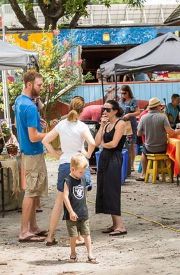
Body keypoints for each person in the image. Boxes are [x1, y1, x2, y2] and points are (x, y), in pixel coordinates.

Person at [42, 97, 96, 246]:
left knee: (59, 201)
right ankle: (79, 236)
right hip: (79, 162)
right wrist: (88, 155)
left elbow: (45, 140)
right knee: (80, 201)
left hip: (65, 163)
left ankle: (50, 236)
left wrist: (56, 154)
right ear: (82, 110)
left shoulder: (61, 125)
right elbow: (92, 143)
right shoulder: (82, 126)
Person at [15, 71, 48, 243]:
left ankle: (33, 227)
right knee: (31, 192)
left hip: (27, 152)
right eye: (39, 85)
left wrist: (37, 124)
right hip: (33, 153)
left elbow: (24, 126)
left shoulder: (19, 101)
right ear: (29, 85)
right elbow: (34, 136)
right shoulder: (30, 106)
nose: (41, 88)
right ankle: (24, 231)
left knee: (34, 191)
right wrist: (50, 134)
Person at [94, 99, 128, 236]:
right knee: (105, 188)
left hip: (114, 158)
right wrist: (101, 126)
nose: (105, 112)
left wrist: (102, 144)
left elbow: (114, 144)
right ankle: (115, 224)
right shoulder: (107, 124)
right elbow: (96, 142)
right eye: (104, 109)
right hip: (104, 157)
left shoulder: (120, 123)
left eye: (108, 110)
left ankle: (120, 225)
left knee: (112, 189)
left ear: (115, 110)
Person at [63, 154, 98, 264]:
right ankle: (73, 253)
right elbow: (65, 197)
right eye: (80, 172)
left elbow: (84, 195)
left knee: (87, 234)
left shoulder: (82, 179)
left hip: (83, 213)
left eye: (83, 172)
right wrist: (70, 211)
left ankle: (90, 254)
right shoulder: (68, 181)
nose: (82, 174)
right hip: (72, 214)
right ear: (72, 169)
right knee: (73, 236)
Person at [137, 98, 180, 181]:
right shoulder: (163, 117)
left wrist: (148, 132)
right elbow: (170, 132)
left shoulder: (143, 117)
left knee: (144, 151)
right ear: (158, 107)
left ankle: (144, 173)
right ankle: (172, 174)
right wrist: (177, 132)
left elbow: (139, 133)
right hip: (162, 148)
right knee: (172, 150)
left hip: (149, 148)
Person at [119, 85, 140, 175]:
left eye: (125, 93)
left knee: (131, 144)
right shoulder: (120, 101)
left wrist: (129, 115)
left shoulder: (133, 100)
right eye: (122, 93)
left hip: (131, 124)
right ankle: (125, 164)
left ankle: (131, 165)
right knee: (123, 144)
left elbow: (138, 112)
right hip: (122, 124)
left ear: (128, 92)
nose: (123, 95)